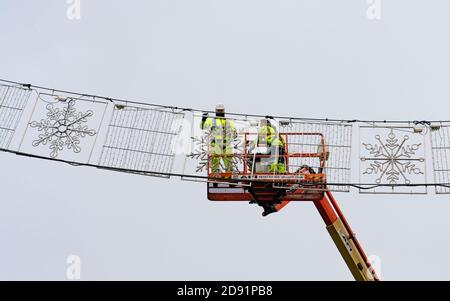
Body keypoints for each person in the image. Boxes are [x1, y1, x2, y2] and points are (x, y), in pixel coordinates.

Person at [200, 105, 237, 173]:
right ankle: (215, 174)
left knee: (229, 162)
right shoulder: (211, 121)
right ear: (215, 111)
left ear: (224, 111)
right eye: (218, 110)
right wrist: (203, 119)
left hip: (226, 145)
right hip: (215, 145)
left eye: (221, 110)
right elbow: (202, 127)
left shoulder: (228, 121)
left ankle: (229, 174)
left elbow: (234, 132)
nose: (220, 112)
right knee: (215, 162)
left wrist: (233, 134)